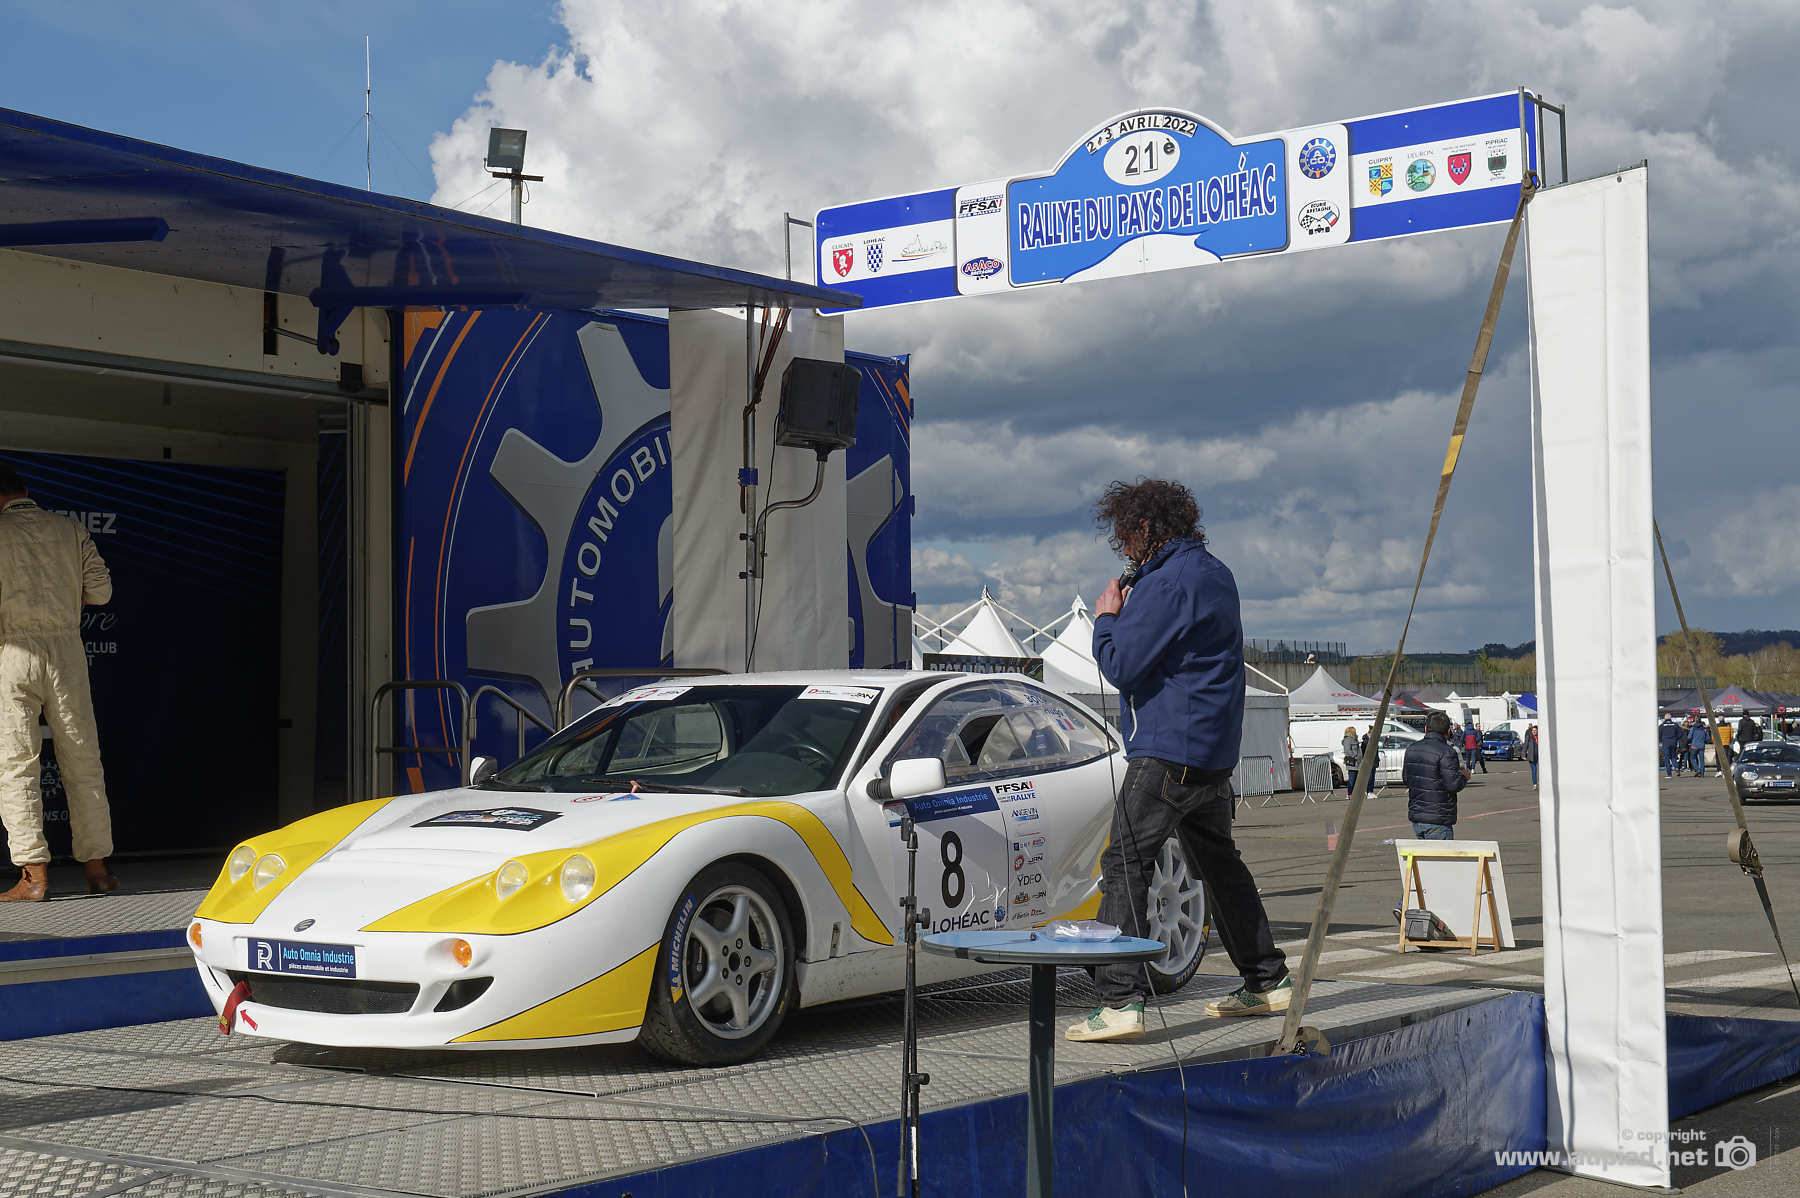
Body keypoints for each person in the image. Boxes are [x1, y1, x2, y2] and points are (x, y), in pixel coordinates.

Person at [1069, 478, 1289, 1042]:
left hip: (1168, 749)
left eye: (1126, 538)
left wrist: (1107, 618)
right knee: (1218, 863)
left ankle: (1120, 999)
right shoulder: (1215, 573)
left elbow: (1122, 665)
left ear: (1145, 528)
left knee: (1125, 863)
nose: (1124, 551)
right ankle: (1266, 980)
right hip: (1213, 753)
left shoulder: (1167, 583)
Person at [0, 463, 117, 900]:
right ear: (25, 491)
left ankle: (34, 878)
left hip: (13, 653)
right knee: (83, 760)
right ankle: (98, 871)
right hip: (68, 653)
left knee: (16, 765)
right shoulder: (69, 530)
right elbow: (102, 593)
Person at [1405, 711, 1468, 839]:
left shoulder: (1411, 749)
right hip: (1438, 817)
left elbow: (1406, 779)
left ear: (1426, 729)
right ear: (1448, 732)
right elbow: (1453, 785)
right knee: (1441, 857)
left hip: (1418, 815)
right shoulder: (1447, 752)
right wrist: (1464, 777)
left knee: (1424, 857)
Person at [1341, 725, 1361, 791]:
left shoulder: (1353, 739)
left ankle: (1354, 793)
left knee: (1355, 779)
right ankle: (1349, 793)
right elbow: (1347, 750)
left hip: (1357, 762)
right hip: (1352, 762)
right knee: (1352, 779)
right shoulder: (1347, 739)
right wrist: (1354, 755)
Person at [1525, 724, 1540, 788]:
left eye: (1535, 730)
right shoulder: (1529, 737)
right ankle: (1535, 784)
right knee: (1534, 770)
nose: (1534, 731)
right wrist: (1523, 754)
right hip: (1532, 756)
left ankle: (1541, 782)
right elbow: (1525, 745)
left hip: (1539, 756)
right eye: (1533, 730)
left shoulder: (1540, 737)